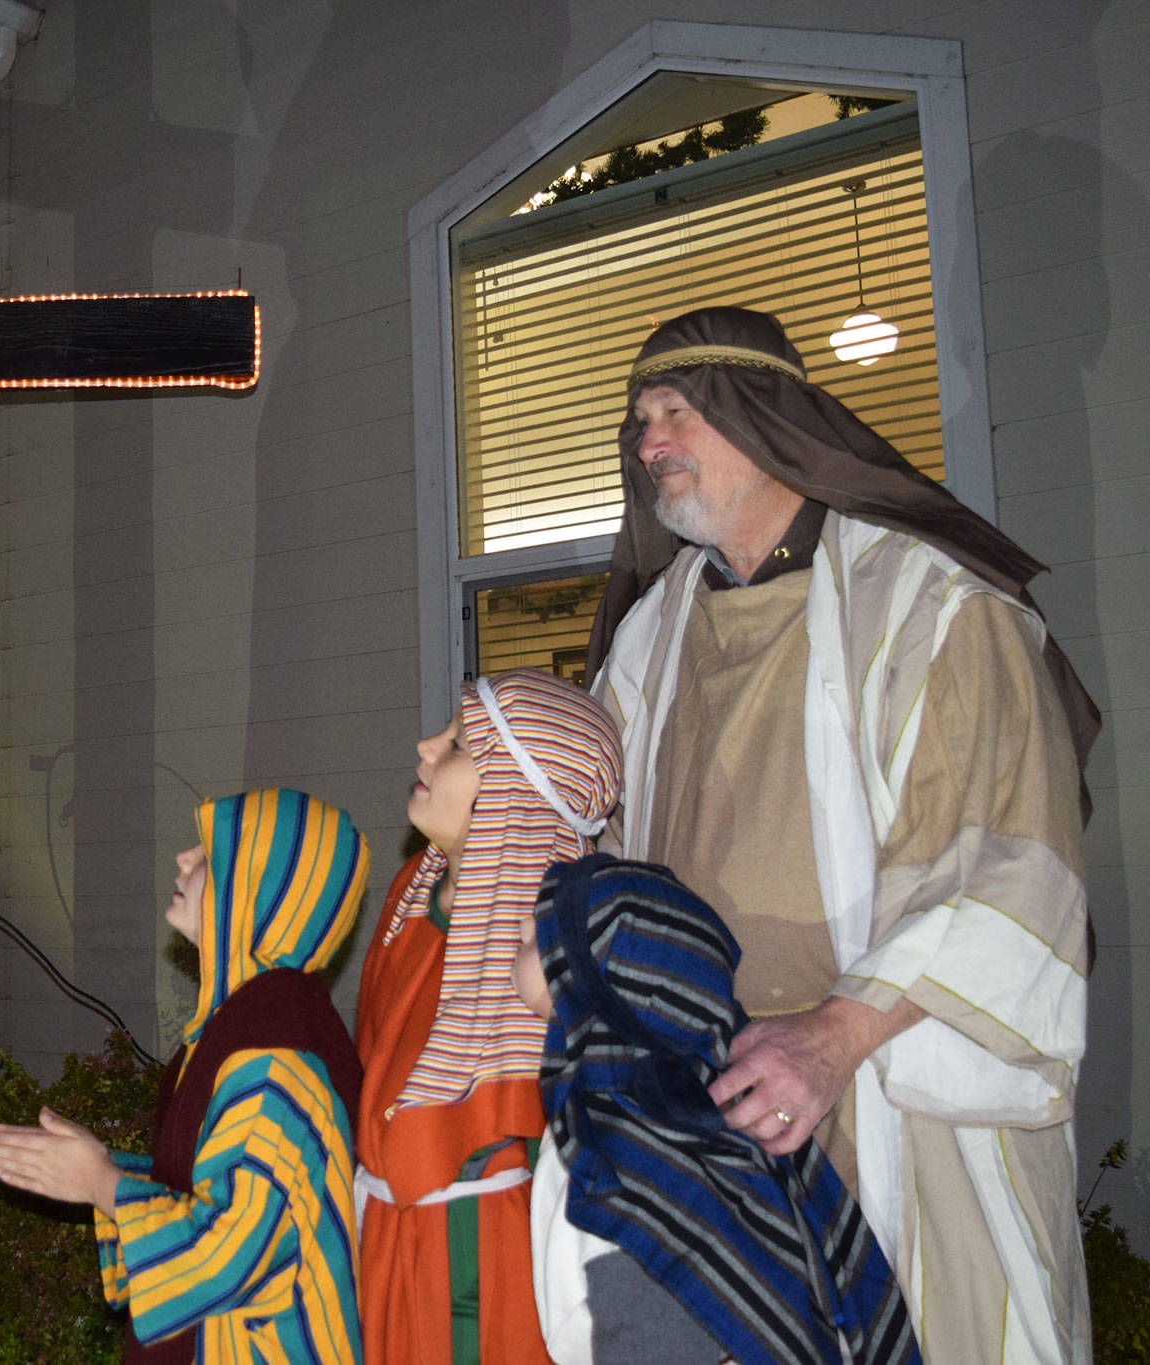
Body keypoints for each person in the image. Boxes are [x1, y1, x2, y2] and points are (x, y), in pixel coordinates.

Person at [585, 306, 1099, 1362]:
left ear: (760, 417)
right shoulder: (650, 633)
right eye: (638, 420)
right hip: (701, 1103)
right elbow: (595, 843)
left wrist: (830, 1035)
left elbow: (1010, 863)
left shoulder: (930, 608)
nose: (646, 445)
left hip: (879, 1087)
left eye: (674, 412)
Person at [0, 789, 367, 1363]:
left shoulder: (277, 1055)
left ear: (257, 889)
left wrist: (99, 1183)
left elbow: (230, 1252)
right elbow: (213, 1191)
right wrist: (100, 1167)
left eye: (210, 853)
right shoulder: (246, 1025)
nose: (185, 859)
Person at [516, 853, 918, 1365]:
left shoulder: (638, 1148)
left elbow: (651, 1326)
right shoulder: (649, 1121)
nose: (523, 926)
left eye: (546, 929)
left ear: (601, 971)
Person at [353, 669, 620, 1365]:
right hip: (390, 1259)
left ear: (516, 792)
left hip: (487, 1274)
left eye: (461, 743)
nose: (425, 747)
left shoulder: (549, 958)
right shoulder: (410, 904)